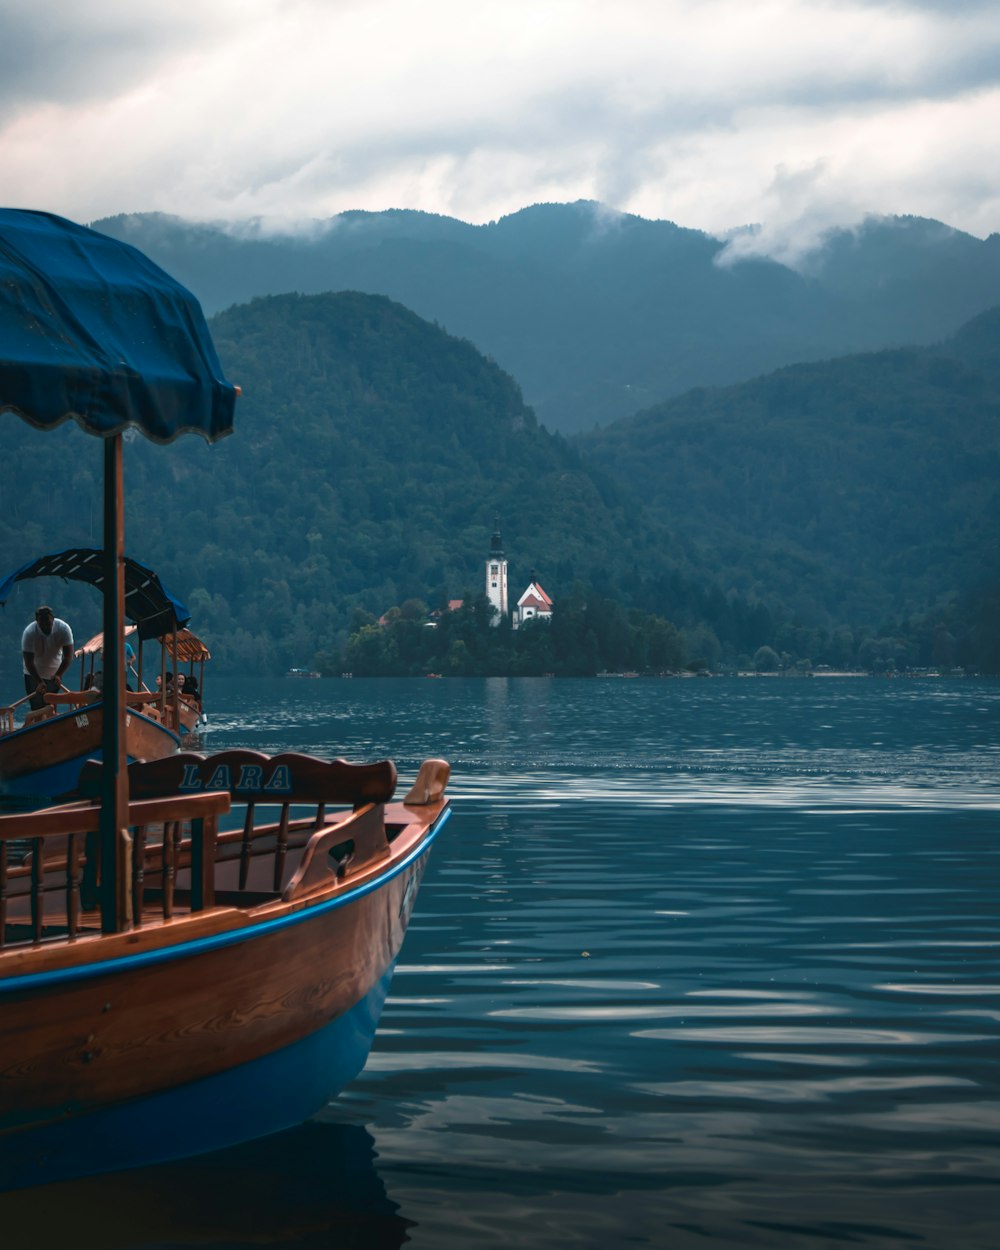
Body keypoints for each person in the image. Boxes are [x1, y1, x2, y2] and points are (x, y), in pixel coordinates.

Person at [22, 605, 74, 711]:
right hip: (32, 674)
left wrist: (59, 675)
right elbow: (29, 662)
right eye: (42, 624)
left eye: (48, 623)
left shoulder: (64, 629)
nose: (46, 626)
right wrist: (39, 681)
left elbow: (68, 656)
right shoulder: (29, 632)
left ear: (53, 619)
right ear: (37, 621)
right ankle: (37, 726)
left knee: (51, 706)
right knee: (37, 707)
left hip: (54, 674)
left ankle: (50, 725)